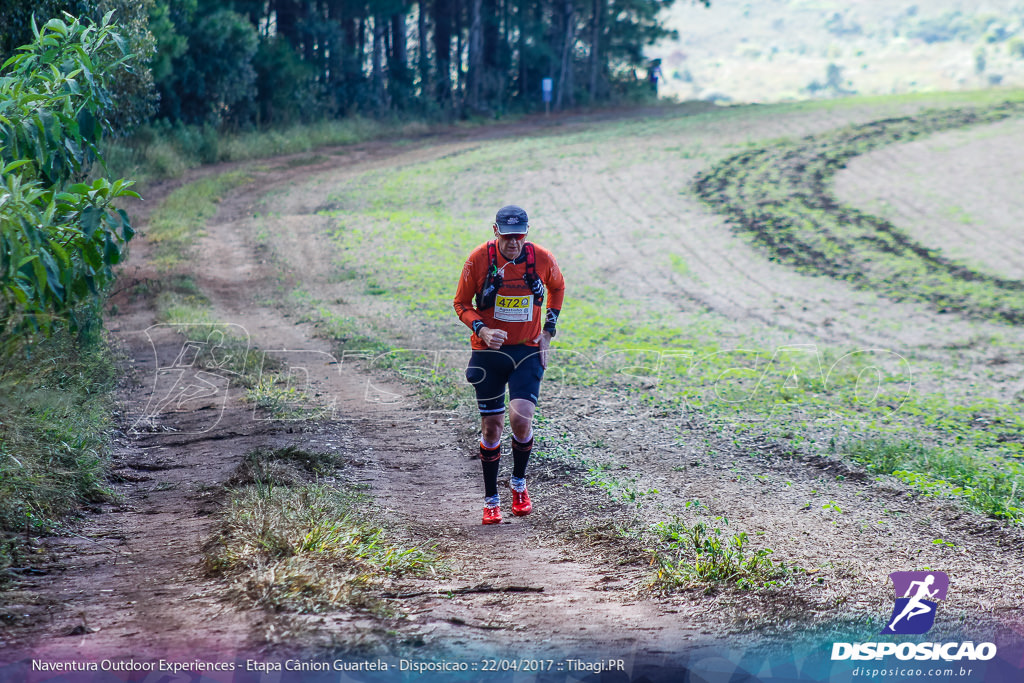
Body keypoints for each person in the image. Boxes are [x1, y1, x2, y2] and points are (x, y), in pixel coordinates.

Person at [453, 205, 565, 525]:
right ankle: (491, 499)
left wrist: (548, 331)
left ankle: (518, 483)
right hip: (488, 353)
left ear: (526, 233)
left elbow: (558, 288)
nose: (513, 242)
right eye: (507, 236)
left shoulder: (541, 259)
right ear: (495, 231)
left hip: (527, 351)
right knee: (492, 427)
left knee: (521, 419)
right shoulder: (478, 260)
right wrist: (482, 330)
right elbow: (460, 303)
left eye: (519, 236)